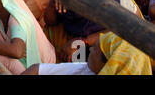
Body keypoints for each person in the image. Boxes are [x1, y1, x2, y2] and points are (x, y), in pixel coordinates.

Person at [22, 32, 152, 75]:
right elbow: (36, 69)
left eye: (95, 49)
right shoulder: (87, 69)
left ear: (110, 65)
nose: (89, 52)